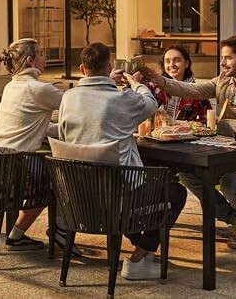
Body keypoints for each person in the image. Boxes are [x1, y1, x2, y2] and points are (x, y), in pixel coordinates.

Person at [59, 42, 187, 280]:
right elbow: (150, 104)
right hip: (118, 196)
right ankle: (138, 258)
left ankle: (143, 249)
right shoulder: (120, 99)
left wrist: (109, 79)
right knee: (176, 192)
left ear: (81, 68)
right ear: (109, 66)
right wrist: (135, 83)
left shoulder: (68, 97)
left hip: (80, 195)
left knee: (145, 186)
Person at [149, 35, 236, 249]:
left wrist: (225, 110)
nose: (222, 62)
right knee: (188, 173)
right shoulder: (223, 81)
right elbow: (193, 90)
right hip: (225, 151)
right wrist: (160, 81)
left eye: (227, 58)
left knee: (230, 183)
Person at [0, 38, 62, 251]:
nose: (44, 57)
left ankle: (19, 234)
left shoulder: (11, 86)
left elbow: (32, 123)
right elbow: (79, 104)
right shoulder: (39, 89)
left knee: (49, 174)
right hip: (14, 167)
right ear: (30, 60)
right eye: (41, 54)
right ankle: (58, 231)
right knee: (58, 181)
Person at [141, 44, 211, 122]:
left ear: (187, 63)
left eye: (177, 60)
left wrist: (189, 125)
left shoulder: (198, 91)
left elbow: (207, 122)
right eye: (167, 61)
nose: (171, 64)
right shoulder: (153, 88)